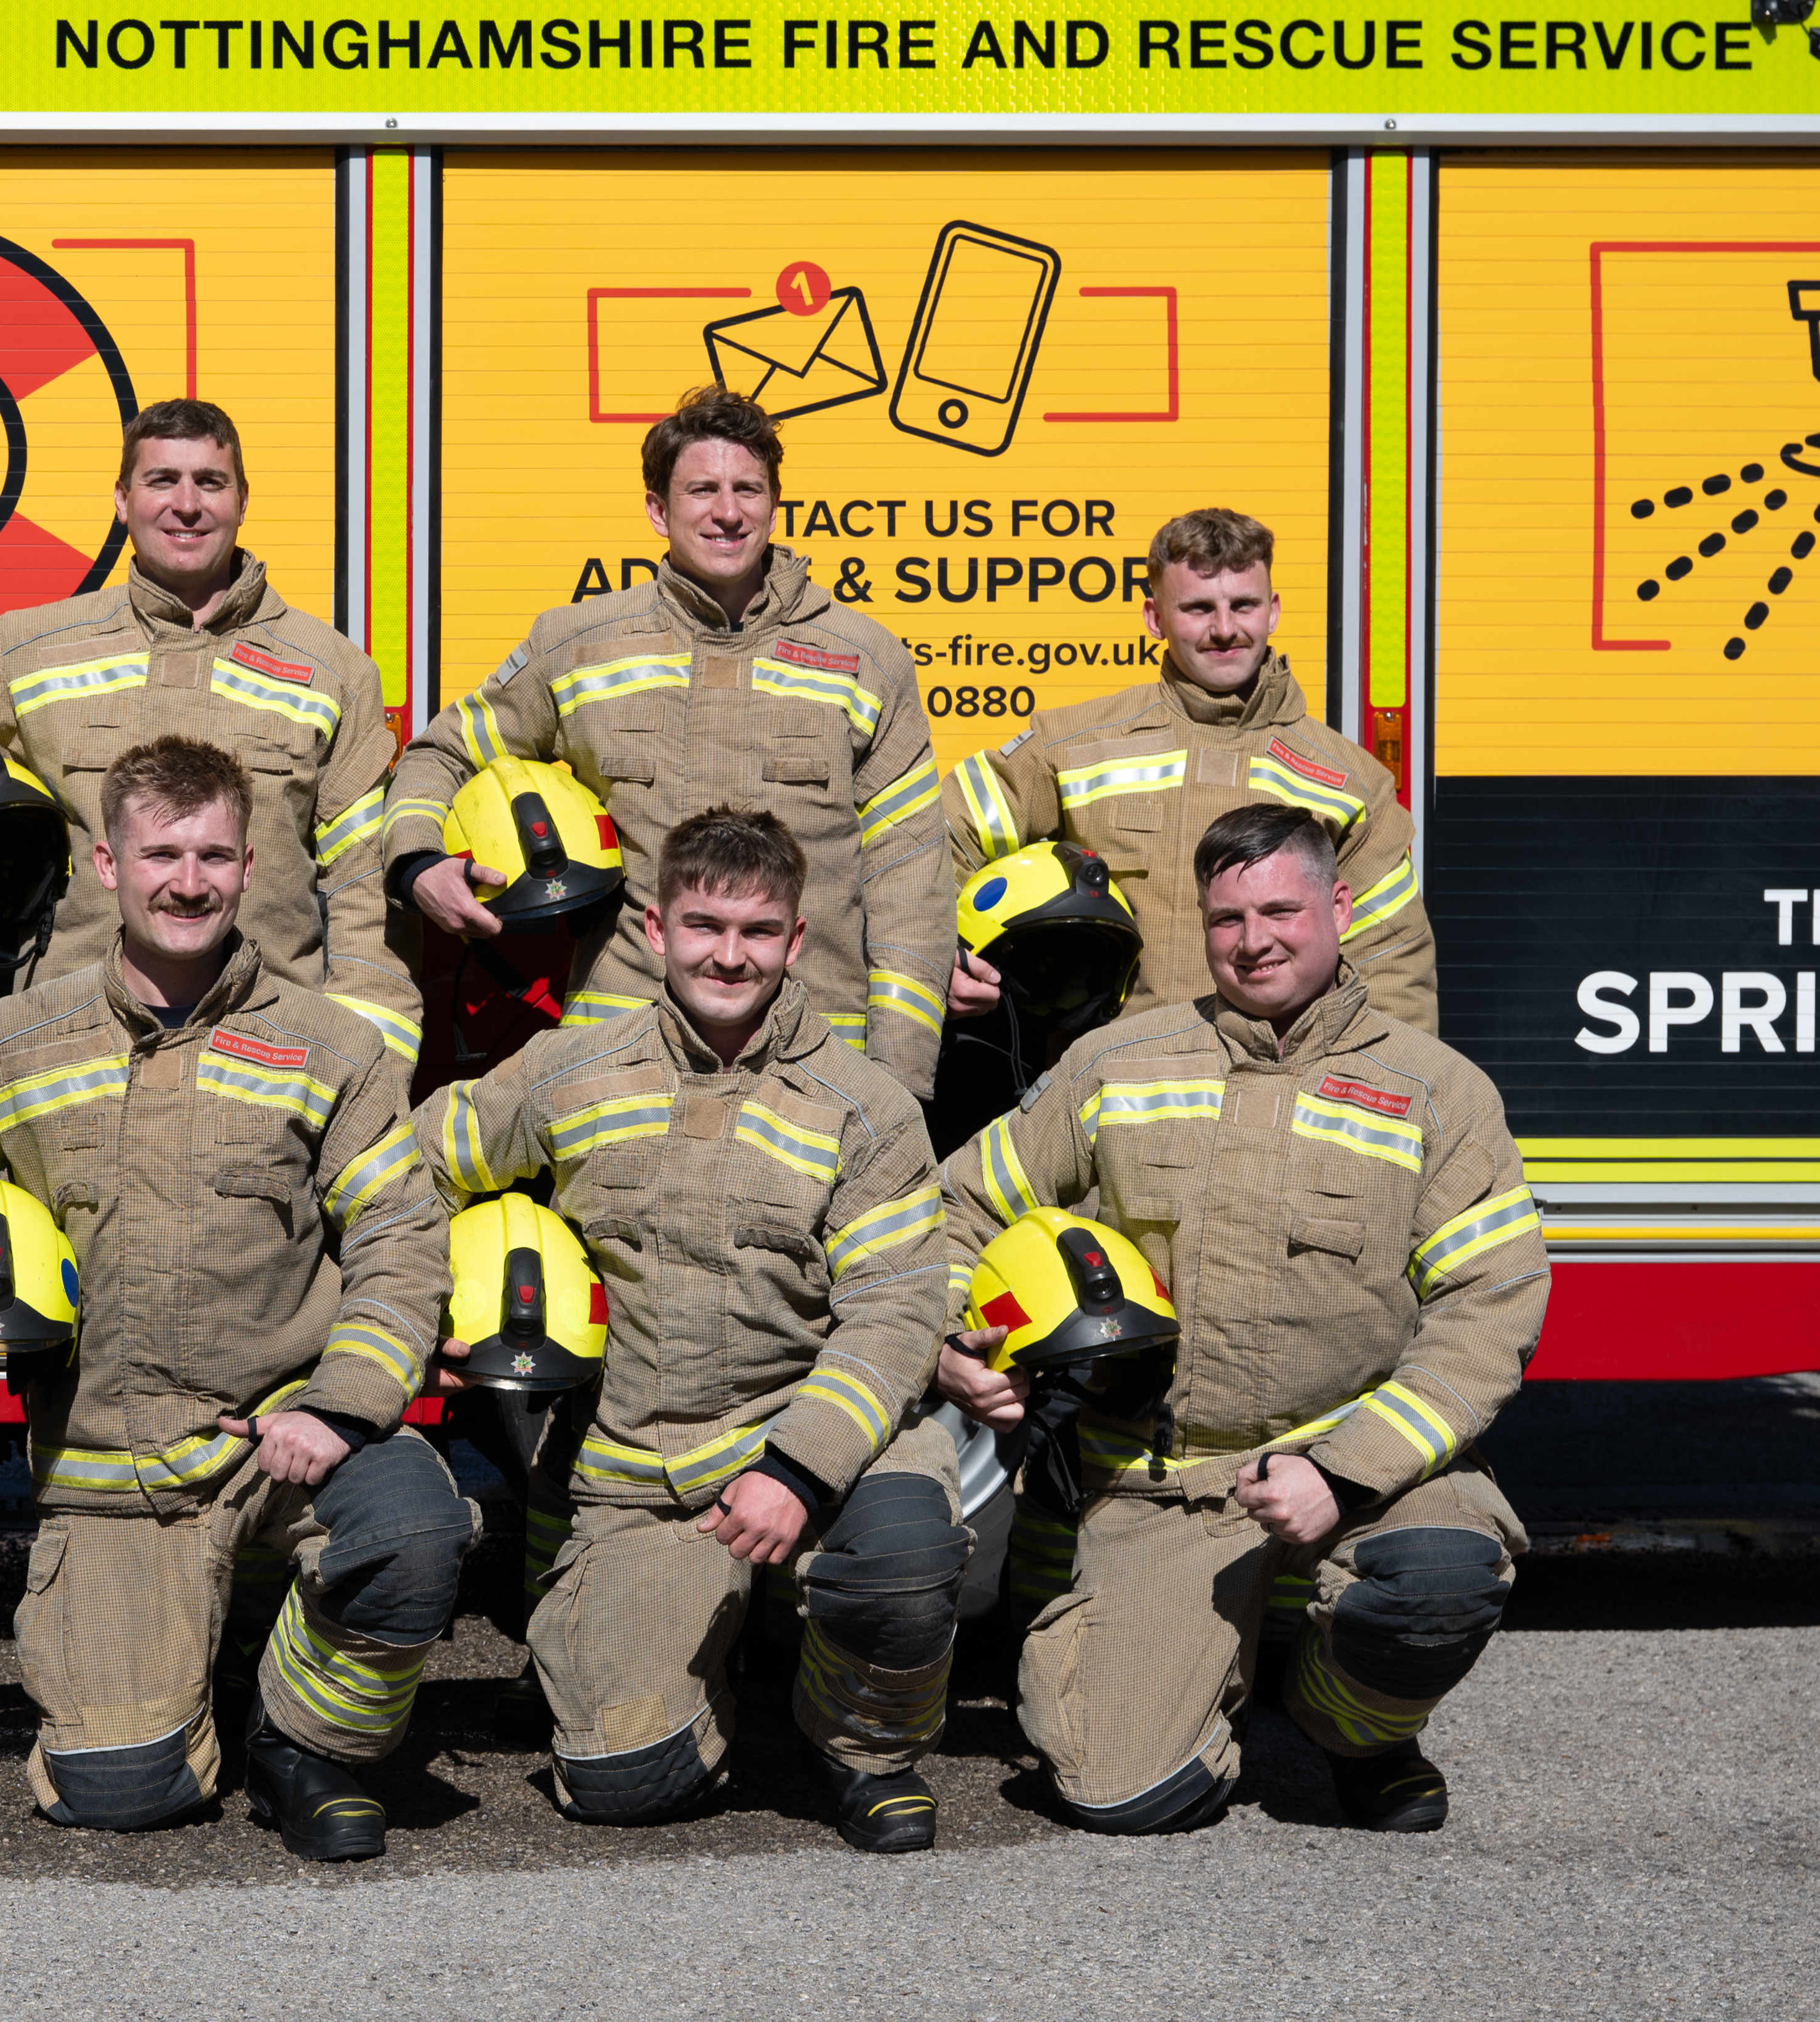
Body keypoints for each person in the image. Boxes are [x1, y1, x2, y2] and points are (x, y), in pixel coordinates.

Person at [0, 735, 469, 1861]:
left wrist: (347, 1403)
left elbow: (400, 1238)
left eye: (213, 852)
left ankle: (298, 1737)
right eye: (159, 851)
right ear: (105, 865)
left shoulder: (330, 1045)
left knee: (411, 1527)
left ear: (250, 862)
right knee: (120, 1790)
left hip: (287, 1442)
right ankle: (192, 1648)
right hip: (110, 1472)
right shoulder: (9, 1040)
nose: (187, 879)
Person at [932, 802, 1543, 1835]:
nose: (1252, 938)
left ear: (1338, 907)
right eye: (1225, 917)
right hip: (1164, 1479)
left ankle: (1354, 1730)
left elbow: (1487, 1312)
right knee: (1120, 1790)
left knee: (1435, 1575)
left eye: (1279, 908)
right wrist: (953, 1339)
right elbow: (958, 1207)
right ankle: (1190, 1680)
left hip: (1358, 1467)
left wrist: (1345, 1470)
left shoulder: (1438, 1092)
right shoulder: (1117, 1065)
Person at [415, 807, 963, 1849]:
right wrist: (445, 1295)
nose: (728, 953)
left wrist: (799, 1470)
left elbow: (895, 1307)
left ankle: (856, 1742)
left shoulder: (864, 1103)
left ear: (795, 941)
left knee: (898, 1559)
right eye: (704, 924)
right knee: (627, 1781)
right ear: (656, 928)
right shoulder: (571, 1067)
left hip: (824, 1445)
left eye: (757, 930)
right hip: (644, 1464)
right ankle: (706, 1660)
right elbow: (411, 1168)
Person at [0, 398, 422, 1068]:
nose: (186, 504)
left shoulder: (332, 671)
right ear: (121, 498)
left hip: (268, 1063)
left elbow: (363, 893)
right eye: (162, 480)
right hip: (70, 1057)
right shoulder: (33, 648)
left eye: (210, 482)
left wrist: (373, 1072)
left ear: (244, 500)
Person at [388, 386, 946, 1097]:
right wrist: (418, 860)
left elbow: (911, 879)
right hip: (620, 1058)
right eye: (702, 489)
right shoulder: (580, 644)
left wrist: (897, 1078)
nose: (727, 510)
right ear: (658, 508)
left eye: (748, 488)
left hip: (815, 1061)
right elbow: (442, 754)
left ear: (775, 505)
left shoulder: (866, 659)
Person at [945, 507, 1434, 1031]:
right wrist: (942, 955)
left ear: (1272, 612)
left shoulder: (1349, 781)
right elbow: (933, 839)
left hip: (1278, 1092)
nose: (1224, 629)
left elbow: (1394, 969)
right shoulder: (1068, 746)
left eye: (1242, 605)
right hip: (1107, 1089)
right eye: (1199, 608)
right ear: (1155, 618)